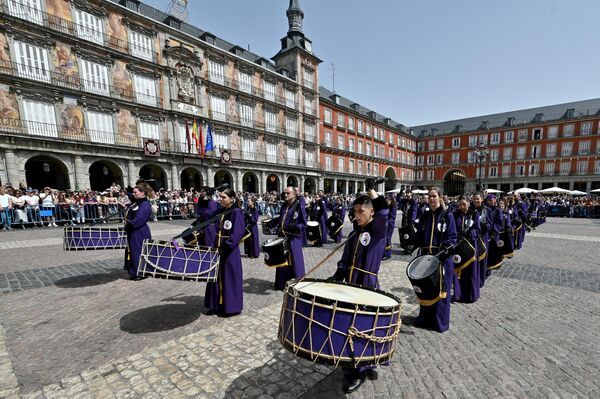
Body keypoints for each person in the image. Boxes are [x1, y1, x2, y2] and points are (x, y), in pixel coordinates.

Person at [328, 189, 388, 393]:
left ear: (371, 212)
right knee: (349, 327)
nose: (357, 215)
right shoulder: (354, 233)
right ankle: (351, 368)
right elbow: (345, 260)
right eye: (355, 211)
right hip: (351, 285)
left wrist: (376, 197)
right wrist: (338, 274)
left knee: (366, 328)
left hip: (369, 286)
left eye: (361, 211)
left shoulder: (378, 231)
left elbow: (384, 214)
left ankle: (363, 369)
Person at [413, 187, 457, 333]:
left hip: (441, 259)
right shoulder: (424, 216)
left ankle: (439, 322)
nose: (431, 199)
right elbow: (419, 236)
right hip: (426, 259)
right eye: (429, 196)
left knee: (440, 292)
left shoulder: (447, 215)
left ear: (440, 197)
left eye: (434, 196)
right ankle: (424, 318)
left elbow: (452, 237)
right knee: (426, 290)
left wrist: (446, 248)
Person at [204, 188, 245, 317]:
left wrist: (226, 246)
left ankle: (230, 307)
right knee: (215, 277)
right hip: (217, 249)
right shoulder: (219, 212)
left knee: (229, 278)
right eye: (220, 197)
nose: (221, 199)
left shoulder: (236, 212)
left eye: (224, 197)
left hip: (229, 251)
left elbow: (237, 232)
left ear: (232, 198)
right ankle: (215, 305)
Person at [274, 187, 306, 290]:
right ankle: (281, 283)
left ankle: (297, 283)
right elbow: (281, 219)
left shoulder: (299, 206)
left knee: (295, 261)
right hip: (283, 237)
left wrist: (297, 227)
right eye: (284, 193)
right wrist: (275, 222)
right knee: (282, 261)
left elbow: (303, 224)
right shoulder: (284, 205)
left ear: (294, 194)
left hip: (293, 238)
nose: (286, 195)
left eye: (288, 193)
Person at [451, 195, 480, 303]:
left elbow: (477, 230)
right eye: (460, 204)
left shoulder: (474, 214)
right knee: (458, 271)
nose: (462, 206)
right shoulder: (455, 215)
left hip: (470, 246)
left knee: (470, 271)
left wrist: (470, 233)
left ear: (468, 203)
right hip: (458, 246)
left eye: (464, 204)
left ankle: (470, 295)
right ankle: (458, 294)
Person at [124, 182, 154, 280]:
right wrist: (129, 190)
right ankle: (134, 272)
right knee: (133, 251)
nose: (133, 194)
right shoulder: (138, 201)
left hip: (139, 231)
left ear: (142, 193)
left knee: (138, 252)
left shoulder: (145, 204)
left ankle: (141, 273)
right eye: (133, 192)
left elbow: (139, 220)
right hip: (134, 230)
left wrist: (130, 225)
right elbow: (130, 196)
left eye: (135, 192)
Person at [382, 195, 397, 260]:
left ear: (391, 201)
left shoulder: (393, 208)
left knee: (388, 239)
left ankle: (388, 254)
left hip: (390, 225)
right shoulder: (386, 207)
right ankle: (384, 252)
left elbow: (392, 218)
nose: (386, 202)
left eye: (387, 201)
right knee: (384, 239)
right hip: (385, 225)